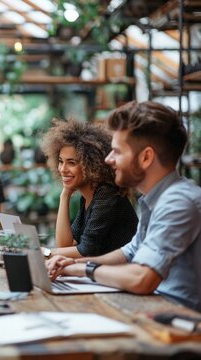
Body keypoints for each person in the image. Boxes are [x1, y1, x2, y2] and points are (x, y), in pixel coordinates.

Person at [47, 101, 201, 312]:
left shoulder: (178, 202)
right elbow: (128, 253)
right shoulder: (155, 200)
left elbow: (142, 278)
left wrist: (85, 269)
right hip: (152, 308)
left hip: (178, 320)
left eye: (117, 152)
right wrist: (72, 266)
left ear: (146, 157)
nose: (109, 160)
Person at [41, 119, 138, 258]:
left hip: (120, 275)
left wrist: (44, 252)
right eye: (61, 161)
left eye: (71, 163)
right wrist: (65, 195)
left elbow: (86, 250)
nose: (62, 169)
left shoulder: (107, 194)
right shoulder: (87, 197)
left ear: (90, 165)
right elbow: (65, 244)